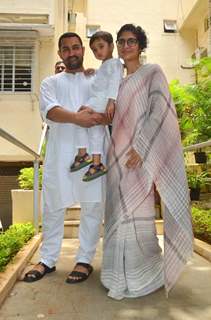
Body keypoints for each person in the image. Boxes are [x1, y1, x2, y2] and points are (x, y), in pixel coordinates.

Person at [101, 24, 193, 300]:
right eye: (121, 41)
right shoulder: (115, 80)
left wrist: (142, 147)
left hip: (140, 155)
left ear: (141, 46)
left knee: (136, 211)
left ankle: (144, 275)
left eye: (132, 41)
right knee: (118, 212)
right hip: (117, 156)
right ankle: (116, 274)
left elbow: (159, 112)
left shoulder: (152, 72)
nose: (126, 45)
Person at [23, 32, 107, 284]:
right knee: (53, 205)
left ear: (83, 50)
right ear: (60, 54)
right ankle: (47, 260)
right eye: (66, 49)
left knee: (92, 205)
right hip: (60, 153)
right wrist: (78, 118)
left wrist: (96, 117)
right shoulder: (50, 82)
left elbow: (109, 111)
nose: (71, 53)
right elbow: (50, 111)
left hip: (93, 153)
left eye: (75, 48)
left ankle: (84, 260)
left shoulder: (96, 79)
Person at [70, 31, 123, 182]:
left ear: (111, 46)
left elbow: (114, 81)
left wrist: (111, 101)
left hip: (100, 102)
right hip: (99, 101)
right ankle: (96, 163)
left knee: (79, 117)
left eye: (101, 47)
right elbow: (104, 76)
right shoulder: (106, 65)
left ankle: (82, 154)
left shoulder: (116, 63)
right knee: (95, 133)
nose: (98, 51)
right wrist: (93, 71)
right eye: (94, 49)